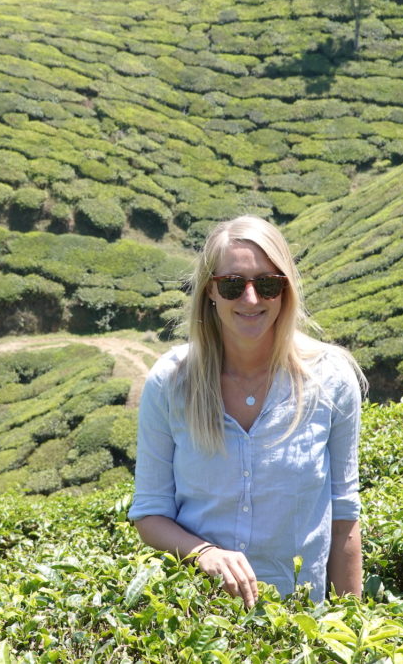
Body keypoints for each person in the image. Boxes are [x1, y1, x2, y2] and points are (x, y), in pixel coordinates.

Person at [128, 214, 366, 608]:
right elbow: (150, 514)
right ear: (210, 290)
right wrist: (204, 553)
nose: (251, 299)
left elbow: (344, 518)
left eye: (267, 284)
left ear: (285, 289)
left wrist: (352, 626)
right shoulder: (170, 382)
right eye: (233, 285)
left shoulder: (331, 379)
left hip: (297, 620)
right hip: (200, 617)